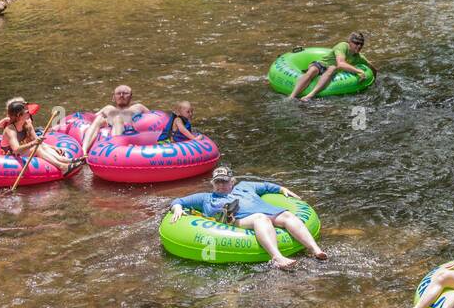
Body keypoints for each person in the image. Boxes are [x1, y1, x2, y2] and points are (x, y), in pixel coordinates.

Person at [166, 166, 327, 269]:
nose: (221, 185)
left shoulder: (245, 186)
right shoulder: (205, 198)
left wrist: (281, 189)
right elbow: (179, 201)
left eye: (224, 181)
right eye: (217, 182)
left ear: (232, 181)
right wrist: (178, 208)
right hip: (241, 220)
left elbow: (266, 186)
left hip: (269, 211)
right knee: (260, 218)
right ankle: (277, 258)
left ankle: (315, 250)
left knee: (287, 215)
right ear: (213, 184)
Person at [0, 97, 82, 176]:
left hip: (22, 151)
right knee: (37, 148)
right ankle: (63, 167)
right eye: (26, 112)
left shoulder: (27, 124)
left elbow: (37, 140)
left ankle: (66, 160)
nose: (29, 112)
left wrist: (52, 147)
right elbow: (16, 149)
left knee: (40, 146)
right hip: (11, 156)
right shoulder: (10, 130)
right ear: (19, 115)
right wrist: (33, 143)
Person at [287, 32, 371, 102]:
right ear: (349, 42)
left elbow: (371, 67)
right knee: (313, 70)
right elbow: (340, 63)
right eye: (356, 43)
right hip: (321, 65)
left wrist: (373, 78)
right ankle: (292, 97)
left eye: (361, 44)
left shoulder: (359, 57)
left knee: (333, 68)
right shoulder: (343, 46)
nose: (359, 46)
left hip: (331, 70)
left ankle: (309, 96)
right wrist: (359, 71)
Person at [80, 85, 150, 154]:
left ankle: (115, 149)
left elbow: (154, 118)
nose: (121, 95)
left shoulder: (138, 107)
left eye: (125, 93)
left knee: (117, 118)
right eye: (118, 93)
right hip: (112, 125)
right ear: (113, 97)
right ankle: (84, 151)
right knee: (100, 118)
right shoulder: (108, 108)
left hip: (131, 129)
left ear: (131, 97)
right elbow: (90, 118)